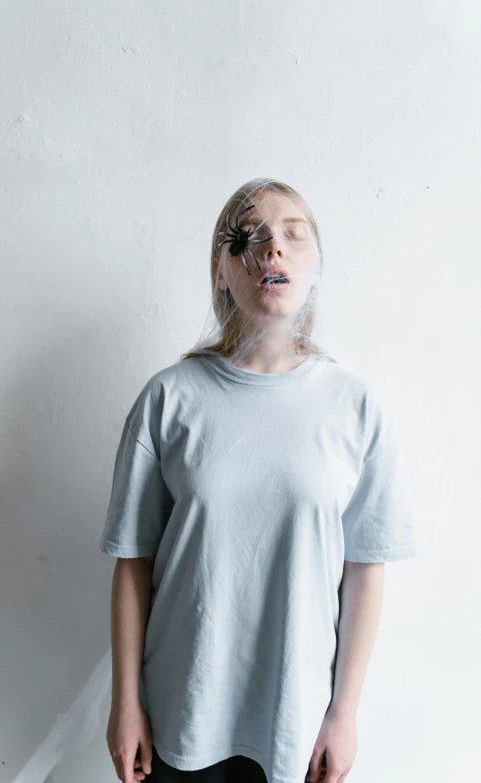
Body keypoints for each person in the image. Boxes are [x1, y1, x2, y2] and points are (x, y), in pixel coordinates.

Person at [99, 178, 421, 783]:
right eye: (251, 237)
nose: (273, 250)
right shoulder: (170, 398)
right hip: (178, 717)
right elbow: (133, 561)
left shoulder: (354, 406)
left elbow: (365, 568)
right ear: (222, 271)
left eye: (294, 235)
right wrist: (125, 703)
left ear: (316, 264)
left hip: (295, 726)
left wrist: (344, 714)